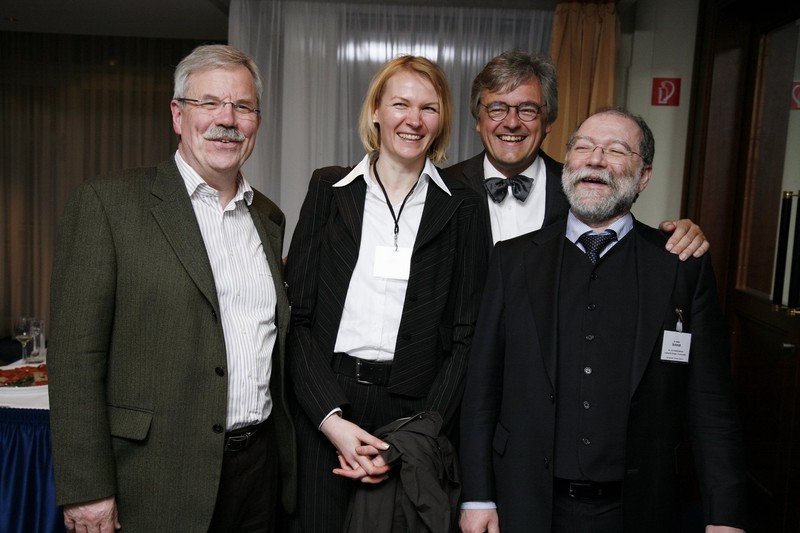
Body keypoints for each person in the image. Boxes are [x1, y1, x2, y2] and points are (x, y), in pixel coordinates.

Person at [458, 108, 747, 532]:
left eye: (615, 150)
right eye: (584, 147)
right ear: (568, 162)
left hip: (639, 510)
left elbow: (711, 404)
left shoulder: (680, 266)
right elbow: (482, 391)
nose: (595, 159)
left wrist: (725, 516)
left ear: (643, 176)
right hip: (525, 503)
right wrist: (477, 495)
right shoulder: (512, 260)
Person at [48, 44, 296, 532]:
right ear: (178, 115)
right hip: (154, 477)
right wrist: (87, 487)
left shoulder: (269, 218)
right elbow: (75, 358)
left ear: (257, 122)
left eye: (243, 106)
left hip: (258, 474)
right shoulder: (107, 205)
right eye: (210, 103)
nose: (227, 119)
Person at [286, 55, 488, 531]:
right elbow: (298, 318)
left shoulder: (464, 207)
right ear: (376, 110)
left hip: (412, 416)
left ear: (442, 120)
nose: (413, 120)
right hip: (327, 405)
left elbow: (466, 337)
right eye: (401, 104)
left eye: (428, 108)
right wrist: (330, 420)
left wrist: (412, 438)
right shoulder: (328, 188)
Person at [445, 49, 709, 258]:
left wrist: (683, 236)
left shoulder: (583, 183)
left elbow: (623, 234)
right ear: (478, 120)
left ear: (548, 122)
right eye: (497, 109)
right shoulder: (443, 188)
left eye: (527, 109)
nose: (512, 123)